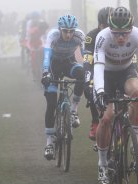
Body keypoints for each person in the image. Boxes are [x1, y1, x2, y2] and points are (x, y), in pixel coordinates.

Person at [93, 7, 138, 184]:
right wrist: (100, 91)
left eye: (125, 33)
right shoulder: (102, 37)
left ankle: (136, 148)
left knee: (137, 93)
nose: (121, 37)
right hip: (106, 76)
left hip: (126, 71)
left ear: (131, 29)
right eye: (116, 33)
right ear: (110, 28)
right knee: (106, 118)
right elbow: (98, 67)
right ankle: (102, 164)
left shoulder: (137, 35)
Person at [41, 14, 85, 160]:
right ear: (59, 29)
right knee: (52, 104)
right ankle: (49, 143)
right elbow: (46, 55)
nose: (68, 34)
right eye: (65, 31)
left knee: (82, 74)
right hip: (53, 66)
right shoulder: (53, 35)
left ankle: (73, 110)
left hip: (68, 63)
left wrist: (91, 73)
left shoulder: (79, 36)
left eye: (71, 31)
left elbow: (86, 57)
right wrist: (45, 72)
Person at [83, 7, 113, 141]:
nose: (107, 29)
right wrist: (88, 80)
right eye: (104, 25)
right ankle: (95, 121)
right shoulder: (91, 36)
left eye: (110, 25)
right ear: (99, 24)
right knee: (90, 87)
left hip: (115, 69)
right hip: (97, 68)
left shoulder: (119, 34)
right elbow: (88, 61)